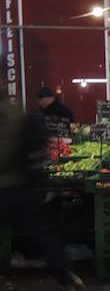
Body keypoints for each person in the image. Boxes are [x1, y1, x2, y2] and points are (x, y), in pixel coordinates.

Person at [1, 86, 85, 290]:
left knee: (37, 231)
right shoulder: (14, 111)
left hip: (10, 183)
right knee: (42, 232)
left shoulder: (13, 113)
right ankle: (65, 273)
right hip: (20, 184)